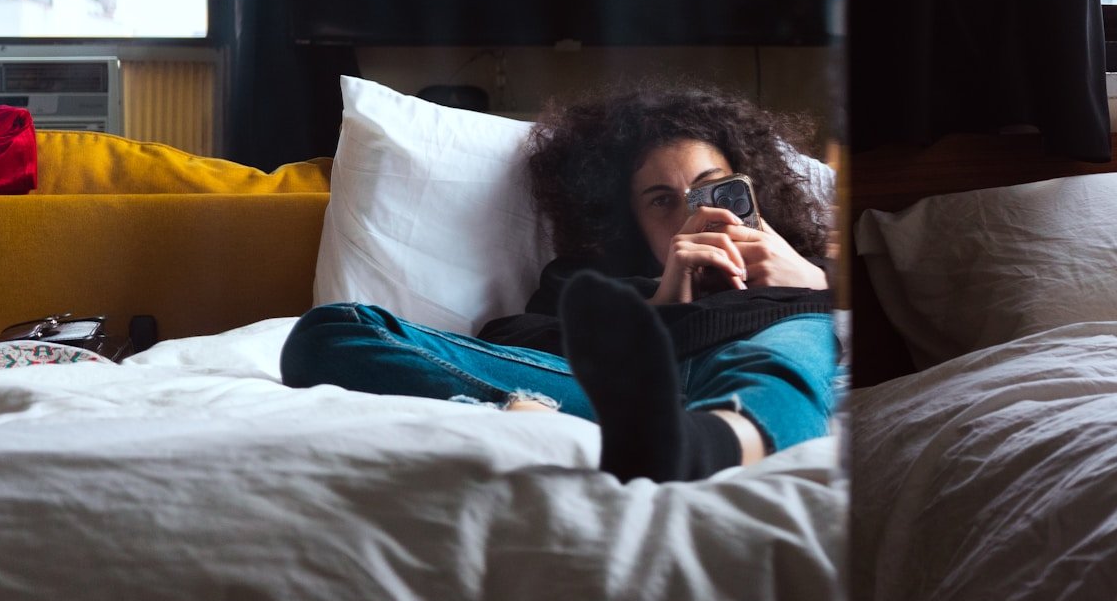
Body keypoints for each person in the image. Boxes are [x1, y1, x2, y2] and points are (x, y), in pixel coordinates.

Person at [280, 83, 838, 483]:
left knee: (786, 354)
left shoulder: (808, 272)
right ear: (629, 220)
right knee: (332, 331)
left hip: (752, 350)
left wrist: (814, 281)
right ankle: (627, 425)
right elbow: (510, 340)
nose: (694, 214)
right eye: (661, 201)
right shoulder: (590, 279)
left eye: (713, 189)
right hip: (623, 382)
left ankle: (698, 446)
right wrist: (659, 303)